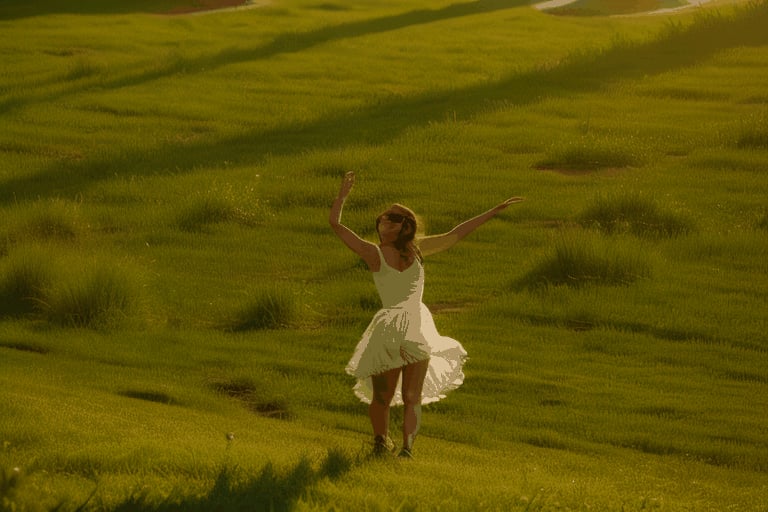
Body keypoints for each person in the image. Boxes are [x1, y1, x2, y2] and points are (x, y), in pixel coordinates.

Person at [329, 171, 523, 458]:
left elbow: (456, 234)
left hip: (416, 327)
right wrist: (342, 196)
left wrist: (492, 212)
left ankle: (406, 448)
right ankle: (381, 442)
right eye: (383, 216)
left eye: (392, 217)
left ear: (404, 225)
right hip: (390, 327)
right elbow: (336, 224)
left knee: (411, 397)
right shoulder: (374, 254)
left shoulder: (418, 250)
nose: (384, 220)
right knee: (381, 396)